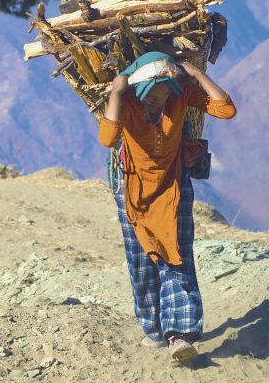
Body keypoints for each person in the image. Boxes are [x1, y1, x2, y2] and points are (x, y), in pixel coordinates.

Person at [99, 50, 236, 362]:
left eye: (163, 94)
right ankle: (153, 328)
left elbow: (226, 110)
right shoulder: (128, 102)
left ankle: (179, 334)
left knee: (176, 257)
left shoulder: (180, 96)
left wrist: (198, 75)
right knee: (142, 263)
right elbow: (108, 138)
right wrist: (118, 92)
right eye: (153, 95)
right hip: (133, 193)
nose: (158, 101)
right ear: (139, 91)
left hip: (172, 188)